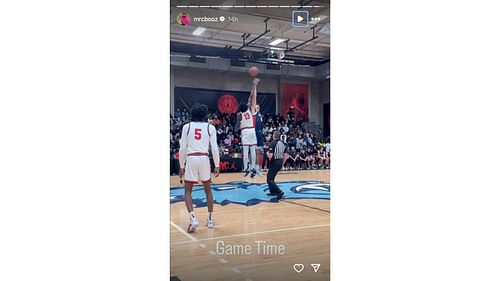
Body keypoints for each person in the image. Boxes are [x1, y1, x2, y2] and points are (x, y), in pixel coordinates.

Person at [179, 103, 220, 233]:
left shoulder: (187, 127)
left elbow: (183, 148)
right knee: (208, 190)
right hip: (204, 159)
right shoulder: (210, 127)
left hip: (191, 158)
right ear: (205, 115)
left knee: (187, 191)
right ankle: (209, 219)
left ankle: (193, 219)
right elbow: (214, 148)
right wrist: (217, 165)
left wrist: (181, 165)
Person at [237, 78, 259, 178]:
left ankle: (246, 167)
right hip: (252, 130)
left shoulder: (239, 115)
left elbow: (237, 126)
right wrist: (254, 85)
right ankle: (253, 167)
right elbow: (251, 97)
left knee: (245, 151)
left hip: (245, 131)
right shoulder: (249, 109)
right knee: (253, 150)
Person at [266, 131, 288, 200]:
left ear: (274, 136)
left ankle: (279, 192)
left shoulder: (272, 143)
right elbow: (285, 155)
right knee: (270, 177)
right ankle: (272, 191)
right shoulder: (282, 143)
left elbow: (270, 156)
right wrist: (282, 164)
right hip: (280, 161)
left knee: (269, 179)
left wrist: (267, 155)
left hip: (274, 162)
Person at [253, 104, 264, 176]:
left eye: (258, 107)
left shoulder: (260, 115)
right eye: (256, 107)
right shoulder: (254, 115)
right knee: (254, 151)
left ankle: (259, 168)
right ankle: (253, 167)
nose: (257, 108)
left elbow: (261, 125)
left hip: (259, 133)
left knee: (260, 151)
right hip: (254, 133)